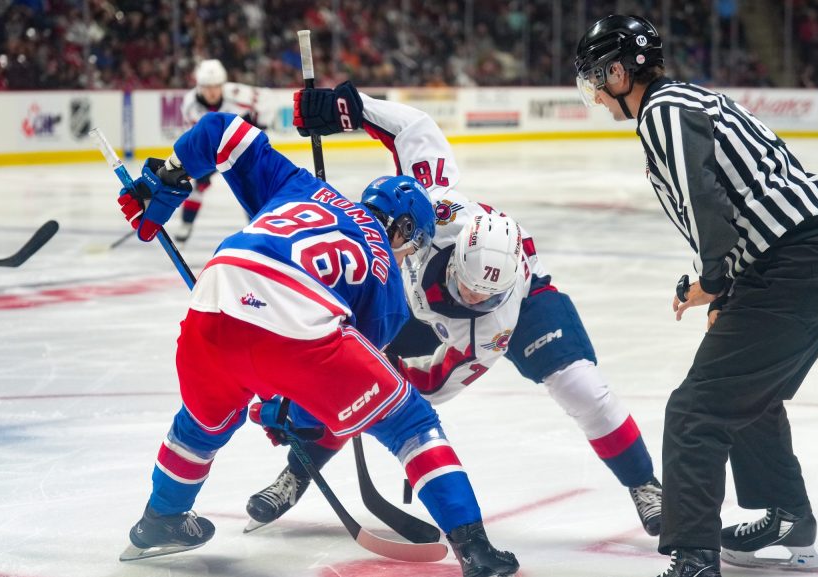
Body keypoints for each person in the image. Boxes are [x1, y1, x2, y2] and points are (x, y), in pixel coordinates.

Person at [244, 81, 663, 538]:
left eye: (486, 296)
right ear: (455, 250)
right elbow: (414, 129)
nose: (477, 298)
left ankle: (645, 484)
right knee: (346, 361)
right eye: (469, 288)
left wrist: (383, 379)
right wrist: (350, 108)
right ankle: (297, 471)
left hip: (529, 303)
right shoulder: (437, 205)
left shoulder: (490, 328)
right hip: (412, 300)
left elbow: (432, 385)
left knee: (583, 388)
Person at [114, 110, 519, 577]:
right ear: (404, 230)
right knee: (411, 422)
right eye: (412, 244)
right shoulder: (387, 281)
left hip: (213, 304)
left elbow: (220, 131)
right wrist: (291, 416)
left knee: (202, 424)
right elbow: (335, 391)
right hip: (295, 326)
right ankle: (475, 548)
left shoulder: (302, 187)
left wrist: (168, 177)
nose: (408, 255)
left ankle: (160, 518)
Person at [573, 14, 818, 577]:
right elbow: (737, 202)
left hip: (793, 268)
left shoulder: (662, 111)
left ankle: (694, 557)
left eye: (595, 78)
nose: (596, 95)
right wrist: (729, 289)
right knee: (743, 397)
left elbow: (708, 203)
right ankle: (788, 522)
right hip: (809, 263)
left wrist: (715, 281)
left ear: (616, 71)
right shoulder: (687, 100)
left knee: (695, 411)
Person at [175, 59, 274, 243]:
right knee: (199, 184)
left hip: (240, 144)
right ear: (199, 86)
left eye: (216, 86)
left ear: (223, 85)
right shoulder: (190, 105)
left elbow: (266, 99)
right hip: (213, 148)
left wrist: (259, 129)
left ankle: (257, 225)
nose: (212, 91)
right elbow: (195, 138)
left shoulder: (239, 95)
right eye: (207, 86)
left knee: (249, 184)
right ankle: (186, 223)